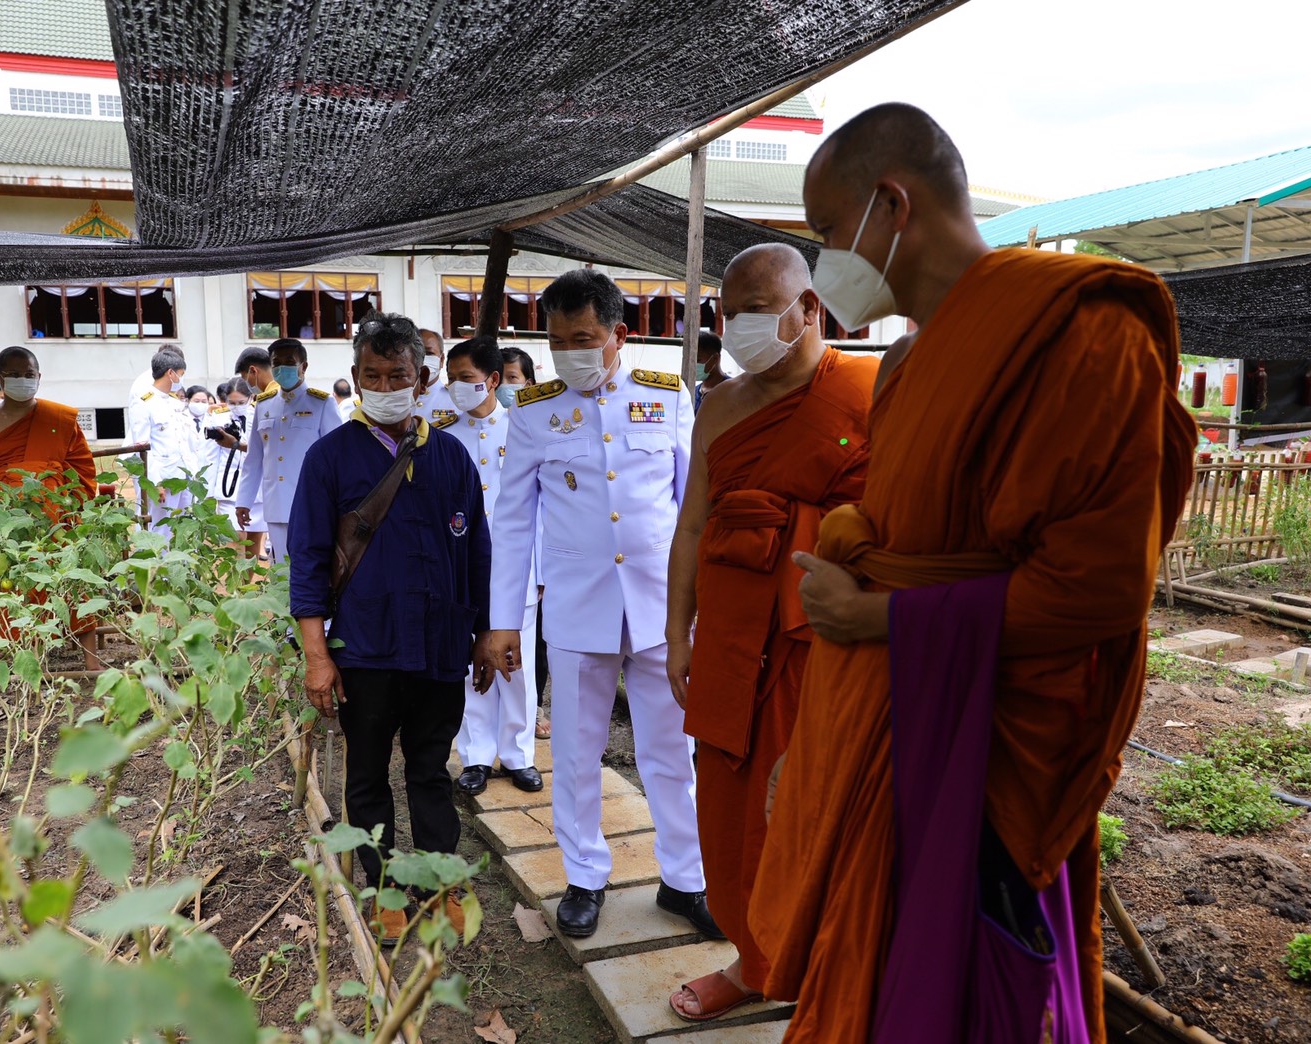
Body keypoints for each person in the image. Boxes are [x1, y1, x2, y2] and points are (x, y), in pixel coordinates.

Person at [747, 103, 1196, 1043]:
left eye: (827, 231)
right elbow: (920, 520)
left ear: (890, 204)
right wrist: (856, 536)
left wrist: (878, 619)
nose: (826, 259)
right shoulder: (908, 362)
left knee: (965, 981)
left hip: (991, 735)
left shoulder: (1082, 332)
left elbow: (1098, 587)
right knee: (878, 966)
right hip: (893, 713)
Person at [664, 245, 876, 1022]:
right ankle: (753, 963)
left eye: (756, 309)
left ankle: (822, 974)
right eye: (728, 313)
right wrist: (675, 633)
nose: (740, 327)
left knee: (807, 816)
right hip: (725, 639)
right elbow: (692, 527)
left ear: (810, 308)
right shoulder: (717, 406)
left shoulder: (872, 390)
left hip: (818, 645)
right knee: (724, 817)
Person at [487, 269, 713, 941]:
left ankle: (685, 879)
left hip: (659, 610)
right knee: (580, 753)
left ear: (619, 334)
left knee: (671, 751)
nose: (569, 352)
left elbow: (691, 508)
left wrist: (695, 611)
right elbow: (514, 523)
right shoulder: (532, 407)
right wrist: (503, 619)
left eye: (581, 338)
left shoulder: (667, 396)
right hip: (578, 610)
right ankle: (584, 876)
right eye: (556, 341)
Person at [288, 312, 493, 943]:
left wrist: (485, 632)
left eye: (397, 374)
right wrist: (317, 655)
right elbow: (309, 563)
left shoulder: (451, 455)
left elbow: (479, 551)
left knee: (431, 770)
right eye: (372, 375)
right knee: (369, 774)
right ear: (354, 377)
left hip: (437, 647)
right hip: (366, 649)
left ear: (422, 377)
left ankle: (443, 884)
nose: (385, 385)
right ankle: (382, 892)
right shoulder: (329, 458)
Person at [444, 337, 543, 796]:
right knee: (469, 661)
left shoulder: (523, 426)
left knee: (516, 663)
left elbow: (541, 508)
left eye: (466, 379)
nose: (457, 388)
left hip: (515, 566)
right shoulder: (441, 434)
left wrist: (541, 572)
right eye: (452, 380)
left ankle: (519, 755)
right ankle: (476, 756)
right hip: (462, 566)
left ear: (493, 380)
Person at [0, 346, 97, 532]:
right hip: (4, 516)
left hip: (56, 518)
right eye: (14, 374)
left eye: (29, 375)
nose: (22, 380)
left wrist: (78, 513)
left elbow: (81, 471)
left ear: (39, 377)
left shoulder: (59, 418)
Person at [235, 338, 340, 563]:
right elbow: (254, 459)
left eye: (290, 361)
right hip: (276, 503)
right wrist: (244, 500)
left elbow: (337, 458)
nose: (283, 367)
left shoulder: (321, 403)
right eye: (277, 363)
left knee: (313, 565)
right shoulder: (263, 405)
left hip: (313, 503)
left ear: (304, 366)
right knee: (281, 569)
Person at [500, 345, 551, 739]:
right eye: (500, 378)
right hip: (496, 556)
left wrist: (544, 568)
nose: (504, 387)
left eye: (513, 379)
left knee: (535, 647)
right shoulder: (464, 425)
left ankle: (530, 712)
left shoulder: (542, 421)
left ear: (529, 382)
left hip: (538, 559)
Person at [128, 346, 202, 535]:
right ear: (171, 373)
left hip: (183, 477)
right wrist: (155, 482)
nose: (182, 379)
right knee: (159, 531)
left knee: (183, 528)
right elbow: (142, 447)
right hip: (163, 478)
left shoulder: (175, 403)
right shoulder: (144, 402)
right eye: (181, 374)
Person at [205, 377, 253, 531]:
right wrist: (209, 491)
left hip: (256, 488)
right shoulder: (219, 418)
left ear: (251, 398)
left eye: (241, 403)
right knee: (234, 536)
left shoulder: (258, 415)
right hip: (228, 483)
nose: (236, 407)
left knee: (254, 538)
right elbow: (210, 456)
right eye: (232, 403)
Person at [412, 328, 456, 424]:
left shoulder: (455, 399)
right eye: (416, 353)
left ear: (441, 360)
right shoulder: (395, 397)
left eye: (429, 353)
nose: (422, 358)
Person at [693, 332, 728, 412]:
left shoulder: (732, 390)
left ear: (715, 358)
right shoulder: (693, 392)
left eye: (698, 360)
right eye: (691, 360)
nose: (693, 364)